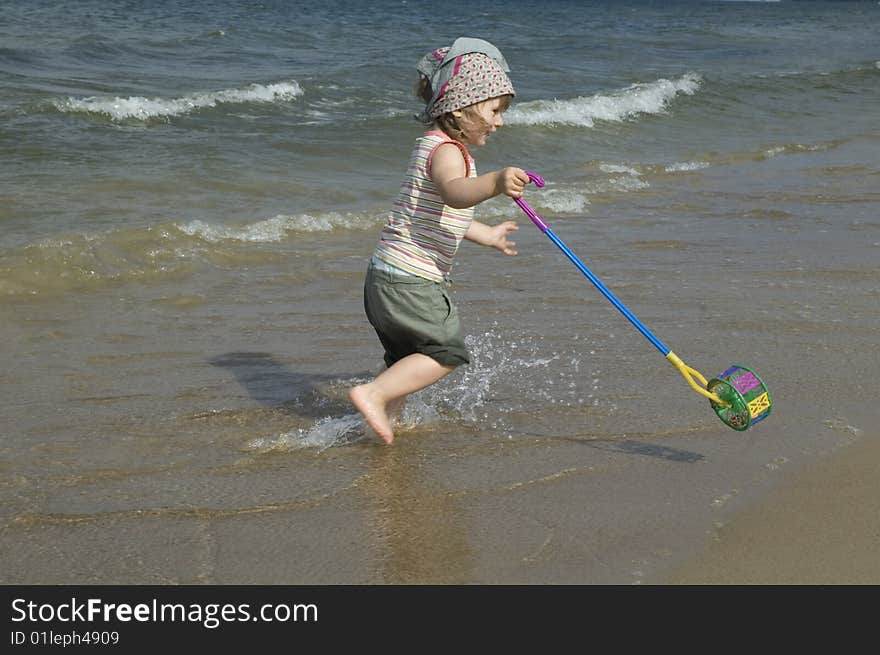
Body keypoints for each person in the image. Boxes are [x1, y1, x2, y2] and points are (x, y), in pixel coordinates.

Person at [349, 37, 531, 444]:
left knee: (404, 360)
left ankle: (378, 423)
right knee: (444, 353)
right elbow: (454, 192)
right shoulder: (448, 151)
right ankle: (372, 395)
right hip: (412, 281)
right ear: (462, 106)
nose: (499, 122)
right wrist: (497, 182)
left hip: (385, 278)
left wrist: (487, 234)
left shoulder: (428, 146)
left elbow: (440, 213)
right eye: (494, 110)